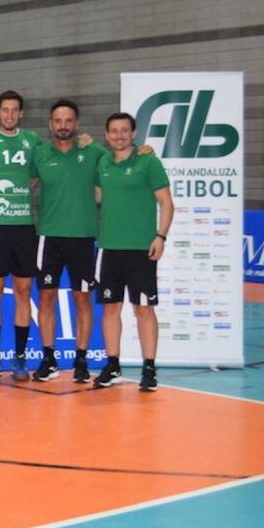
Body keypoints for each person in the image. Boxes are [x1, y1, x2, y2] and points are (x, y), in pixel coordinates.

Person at [93, 113, 174, 391]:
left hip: (140, 249)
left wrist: (160, 236)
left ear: (134, 133)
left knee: (143, 309)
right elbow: (95, 195)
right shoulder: (101, 162)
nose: (119, 136)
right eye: (113, 131)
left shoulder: (148, 161)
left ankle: (149, 369)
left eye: (124, 131)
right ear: (106, 135)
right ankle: (112, 366)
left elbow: (166, 202)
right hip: (109, 249)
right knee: (110, 309)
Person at [31, 100, 107, 383]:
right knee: (46, 297)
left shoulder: (94, 152)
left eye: (68, 121)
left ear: (76, 124)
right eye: (58, 121)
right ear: (51, 124)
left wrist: (144, 150)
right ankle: (49, 359)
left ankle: (81, 361)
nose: (63, 126)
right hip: (49, 237)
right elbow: (20, 181)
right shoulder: (39, 154)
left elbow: (123, 157)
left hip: (83, 238)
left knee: (82, 299)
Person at [0, 90, 42, 382]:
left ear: (21, 114)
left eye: (15, 110)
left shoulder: (33, 141)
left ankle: (20, 359)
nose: (10, 115)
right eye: (5, 110)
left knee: (24, 292)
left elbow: (39, 172)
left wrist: (22, 186)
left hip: (24, 227)